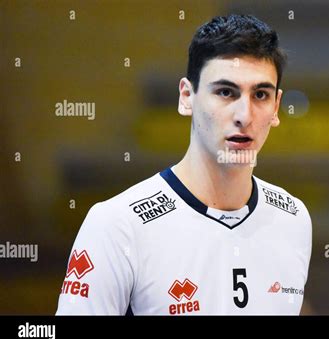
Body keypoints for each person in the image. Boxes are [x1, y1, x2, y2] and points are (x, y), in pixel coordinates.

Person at [56, 14, 312, 315]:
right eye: (226, 92)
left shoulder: (293, 218)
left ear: (276, 107)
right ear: (187, 97)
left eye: (260, 95)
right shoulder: (117, 225)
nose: (245, 114)